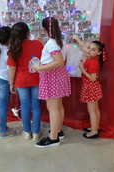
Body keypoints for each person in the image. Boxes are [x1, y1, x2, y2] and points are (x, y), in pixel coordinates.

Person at [32, 17, 71, 148]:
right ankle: (58, 131)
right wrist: (42, 43)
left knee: (53, 108)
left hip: (52, 77)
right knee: (58, 106)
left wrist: (39, 68)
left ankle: (53, 138)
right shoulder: (59, 41)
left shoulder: (51, 43)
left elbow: (58, 61)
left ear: (44, 29)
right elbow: (59, 59)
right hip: (59, 76)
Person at [7, 22, 44, 142]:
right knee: (36, 105)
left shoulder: (13, 48)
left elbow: (12, 68)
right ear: (28, 33)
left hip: (21, 81)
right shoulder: (38, 44)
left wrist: (11, 84)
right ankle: (36, 133)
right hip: (37, 79)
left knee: (25, 106)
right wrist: (41, 41)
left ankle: (27, 132)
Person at [72, 34, 106, 139]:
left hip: (90, 86)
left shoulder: (93, 62)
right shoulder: (90, 56)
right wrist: (77, 39)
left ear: (99, 53)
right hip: (92, 87)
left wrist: (82, 69)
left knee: (92, 110)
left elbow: (93, 78)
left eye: (93, 50)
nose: (89, 50)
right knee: (95, 109)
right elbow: (84, 46)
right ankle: (95, 127)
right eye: (89, 48)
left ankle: (94, 131)